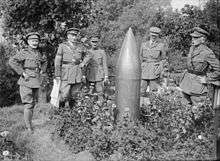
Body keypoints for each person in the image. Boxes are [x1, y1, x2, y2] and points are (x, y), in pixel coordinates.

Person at [9, 32, 47, 132]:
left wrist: (43, 69)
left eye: (36, 41)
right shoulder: (24, 52)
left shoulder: (39, 52)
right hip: (26, 80)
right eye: (32, 41)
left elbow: (44, 61)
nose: (35, 43)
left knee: (32, 104)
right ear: (28, 42)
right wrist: (22, 72)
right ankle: (29, 127)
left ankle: (29, 123)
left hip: (36, 80)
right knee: (28, 104)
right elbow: (12, 61)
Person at [179, 27, 220, 109]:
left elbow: (218, 69)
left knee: (198, 112)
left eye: (196, 37)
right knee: (184, 110)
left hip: (198, 86)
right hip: (186, 84)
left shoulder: (207, 53)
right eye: (192, 37)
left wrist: (207, 78)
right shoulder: (192, 48)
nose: (192, 39)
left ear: (203, 39)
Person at [54, 27, 92, 107]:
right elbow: (57, 60)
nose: (74, 37)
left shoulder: (80, 46)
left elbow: (89, 55)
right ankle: (61, 114)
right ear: (68, 36)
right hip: (66, 72)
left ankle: (72, 115)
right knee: (64, 94)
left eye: (76, 35)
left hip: (77, 72)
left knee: (75, 94)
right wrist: (57, 74)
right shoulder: (62, 46)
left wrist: (84, 63)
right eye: (72, 35)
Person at [140, 27, 167, 105]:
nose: (154, 37)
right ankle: (140, 107)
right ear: (149, 35)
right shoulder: (143, 44)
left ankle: (153, 109)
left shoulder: (161, 46)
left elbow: (163, 59)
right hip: (144, 70)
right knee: (141, 90)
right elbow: (140, 57)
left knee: (153, 92)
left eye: (155, 35)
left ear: (158, 36)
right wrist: (141, 67)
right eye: (152, 35)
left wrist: (159, 69)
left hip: (154, 71)